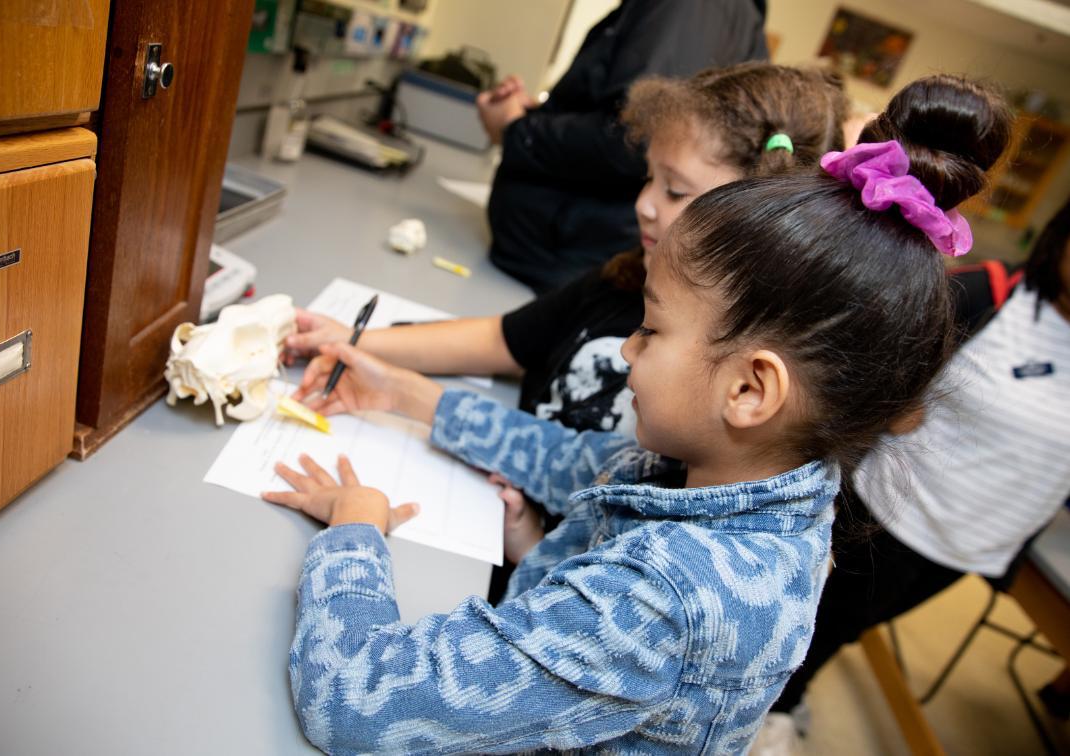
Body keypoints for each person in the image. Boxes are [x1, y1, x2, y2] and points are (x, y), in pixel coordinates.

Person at [259, 74, 1010, 753]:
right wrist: (403, 394)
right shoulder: (745, 474)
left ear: (751, 390)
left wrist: (355, 529)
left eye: (651, 330)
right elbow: (571, 460)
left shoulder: (669, 600)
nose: (626, 349)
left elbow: (356, 701)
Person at [286, 63, 849, 442]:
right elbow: (503, 339)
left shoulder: (717, 373)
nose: (644, 204)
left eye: (675, 191)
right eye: (649, 178)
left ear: (754, 212)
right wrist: (353, 340)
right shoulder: (625, 277)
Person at [759, 193, 1070, 753]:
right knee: (819, 619)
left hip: (977, 541)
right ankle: (767, 709)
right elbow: (875, 355)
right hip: (896, 508)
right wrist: (896, 401)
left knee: (846, 626)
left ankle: (778, 699)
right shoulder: (993, 294)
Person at [478, 0, 769, 292]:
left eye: (673, 189)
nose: (645, 204)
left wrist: (517, 129)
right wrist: (537, 116)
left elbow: (636, 136)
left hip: (568, 257)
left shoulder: (693, 7)